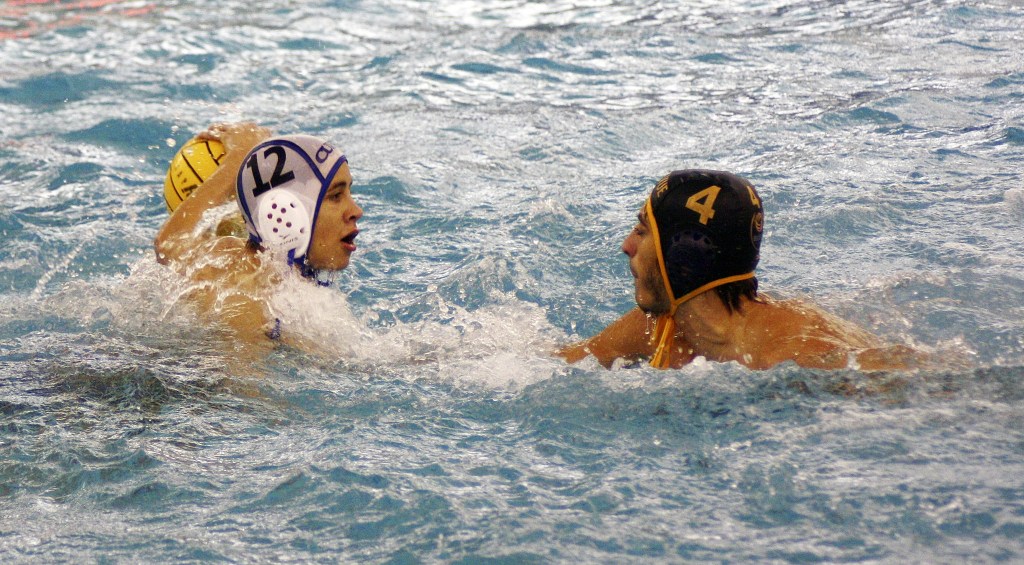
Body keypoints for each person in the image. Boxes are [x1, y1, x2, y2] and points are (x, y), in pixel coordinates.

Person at [559, 169, 922, 371]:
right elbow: (556, 363)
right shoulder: (662, 327)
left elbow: (925, 380)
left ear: (684, 254)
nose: (626, 246)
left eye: (643, 231)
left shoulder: (791, 355)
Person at [154, 122, 363, 350]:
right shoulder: (245, 305)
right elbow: (233, 383)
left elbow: (171, 242)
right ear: (285, 211)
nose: (356, 211)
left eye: (348, 192)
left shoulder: (269, 276)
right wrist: (237, 160)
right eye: (335, 196)